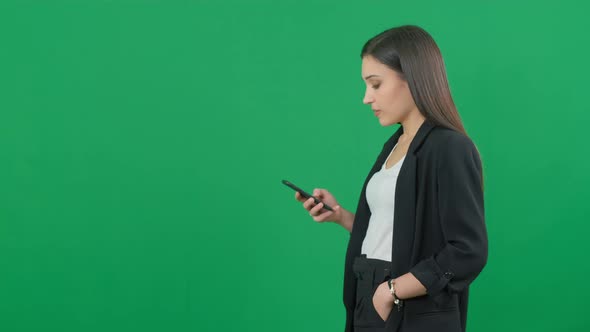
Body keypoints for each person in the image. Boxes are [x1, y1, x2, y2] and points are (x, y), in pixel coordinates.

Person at [294, 25, 488, 332]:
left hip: (406, 304)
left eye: (375, 84)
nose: (366, 98)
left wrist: (391, 291)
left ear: (411, 78)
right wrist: (342, 217)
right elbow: (397, 231)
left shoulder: (449, 147)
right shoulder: (395, 145)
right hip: (366, 293)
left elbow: (467, 251)